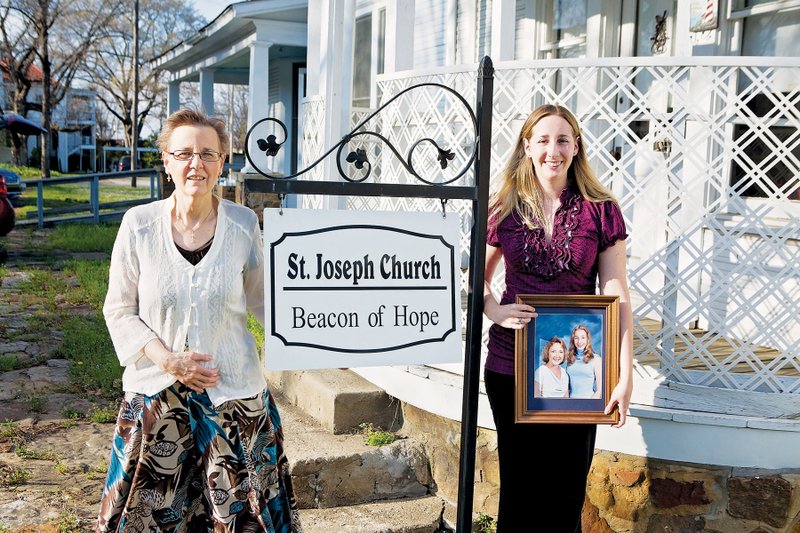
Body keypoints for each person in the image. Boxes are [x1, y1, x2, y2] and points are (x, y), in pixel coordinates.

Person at [97, 108, 302, 532]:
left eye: (209, 153)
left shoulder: (244, 224)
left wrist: (316, 336)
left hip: (234, 399)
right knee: (149, 519)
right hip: (157, 400)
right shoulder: (139, 226)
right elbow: (119, 309)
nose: (197, 164)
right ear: (167, 161)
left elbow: (262, 302)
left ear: (223, 162)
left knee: (241, 519)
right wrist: (168, 360)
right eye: (185, 153)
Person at [483, 104, 633, 532]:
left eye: (563, 139)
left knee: (566, 493)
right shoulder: (503, 207)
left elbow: (617, 291)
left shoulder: (600, 209)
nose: (554, 149)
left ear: (576, 146)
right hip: (510, 367)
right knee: (519, 490)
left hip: (581, 375)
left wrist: (624, 375)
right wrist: (494, 310)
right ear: (527, 146)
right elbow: (477, 276)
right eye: (544, 140)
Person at [566, 325, 602, 399]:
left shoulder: (596, 359)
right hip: (570, 403)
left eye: (583, 337)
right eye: (576, 338)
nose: (579, 341)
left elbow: (600, 390)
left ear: (587, 339)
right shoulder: (569, 358)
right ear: (573, 340)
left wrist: (590, 404)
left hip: (589, 403)